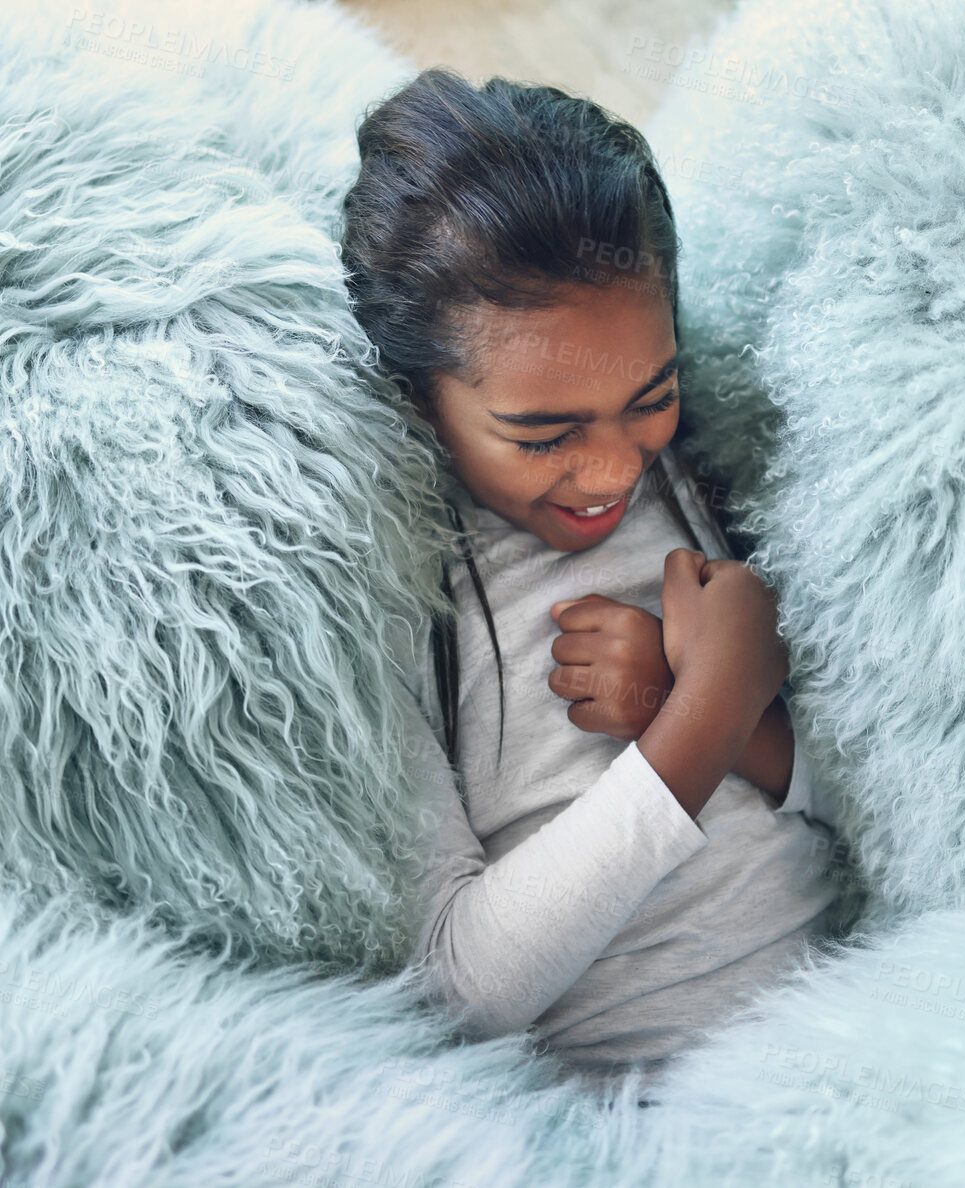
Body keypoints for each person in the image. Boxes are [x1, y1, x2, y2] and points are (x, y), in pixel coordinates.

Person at [340, 68, 839, 1096]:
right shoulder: (394, 598)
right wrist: (704, 716)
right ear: (417, 395)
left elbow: (883, 804)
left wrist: (711, 707)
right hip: (636, 1112)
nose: (615, 468)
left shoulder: (698, 480)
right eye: (546, 432)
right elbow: (456, 983)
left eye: (648, 395)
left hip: (863, 1020)